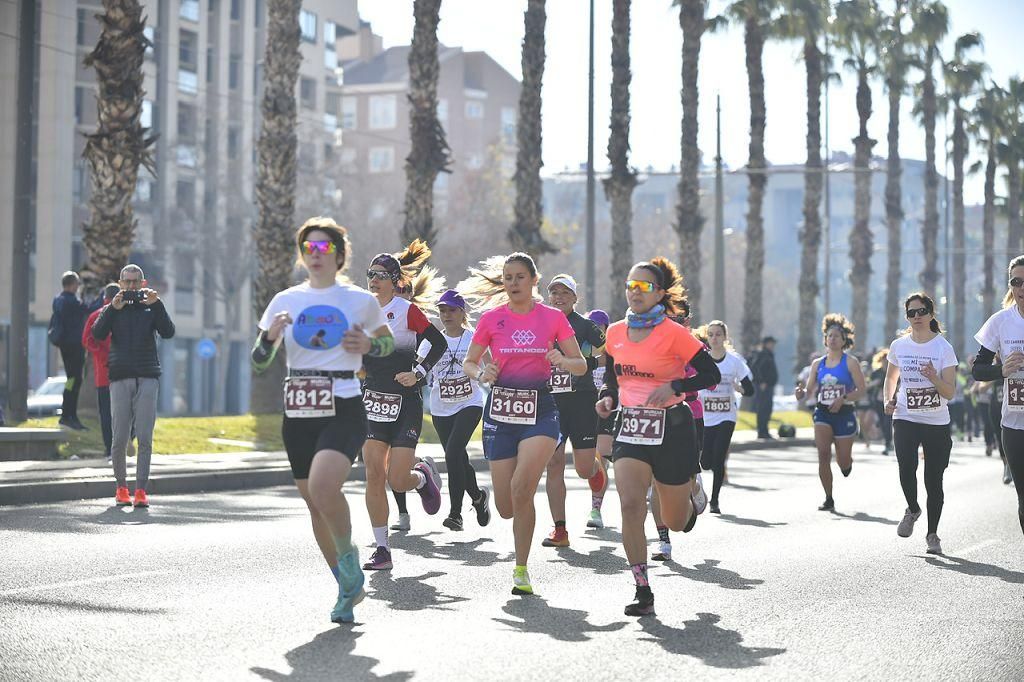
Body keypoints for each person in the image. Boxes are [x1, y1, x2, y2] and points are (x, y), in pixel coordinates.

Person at [252, 216, 391, 624]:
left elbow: (387, 343)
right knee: (314, 504)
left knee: (323, 486)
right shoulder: (285, 300)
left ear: (339, 254)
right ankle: (346, 587)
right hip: (298, 408)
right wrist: (268, 339)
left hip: (343, 402)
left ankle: (349, 560)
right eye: (308, 249)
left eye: (323, 248)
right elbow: (259, 362)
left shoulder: (358, 300)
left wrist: (368, 343)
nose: (315, 255)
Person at [596, 258, 719, 616]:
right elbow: (611, 376)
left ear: (660, 294)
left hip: (673, 428)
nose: (635, 292)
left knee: (676, 522)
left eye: (644, 287)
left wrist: (676, 384)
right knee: (631, 506)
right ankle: (642, 588)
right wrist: (606, 397)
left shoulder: (674, 333)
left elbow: (709, 374)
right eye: (630, 285)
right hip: (631, 427)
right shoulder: (616, 333)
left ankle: (691, 490)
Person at [460, 253, 586, 596]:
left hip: (541, 412)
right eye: (508, 277)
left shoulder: (553, 318)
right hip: (500, 412)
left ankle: (521, 569)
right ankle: (507, 513)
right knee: (505, 507)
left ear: (533, 280)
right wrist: (482, 372)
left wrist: (563, 358)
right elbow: (470, 363)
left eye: (519, 277)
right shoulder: (491, 320)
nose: (513, 283)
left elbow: (580, 365)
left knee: (522, 488)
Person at [361, 240, 448, 571]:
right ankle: (382, 549)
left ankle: (422, 477)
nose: (374, 279)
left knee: (398, 480)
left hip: (405, 403)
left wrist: (419, 373)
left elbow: (437, 342)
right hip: (372, 402)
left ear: (395, 279)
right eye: (370, 274)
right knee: (372, 473)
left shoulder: (406, 309)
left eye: (381, 274)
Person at [91, 265, 175, 508]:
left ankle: (140, 490)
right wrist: (112, 310)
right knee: (119, 437)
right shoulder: (112, 308)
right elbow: (97, 333)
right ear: (119, 282)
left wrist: (157, 305)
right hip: (119, 377)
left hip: (148, 376)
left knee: (145, 436)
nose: (130, 287)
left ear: (142, 282)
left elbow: (168, 332)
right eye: (126, 282)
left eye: (134, 282)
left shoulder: (151, 305)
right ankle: (121, 488)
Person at [883, 293, 958, 555]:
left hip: (936, 421)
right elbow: (891, 378)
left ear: (931, 314)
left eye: (921, 311)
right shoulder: (899, 346)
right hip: (905, 415)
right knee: (906, 466)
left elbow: (950, 392)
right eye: (911, 313)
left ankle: (932, 534)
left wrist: (933, 377)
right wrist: (887, 400)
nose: (916, 317)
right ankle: (913, 509)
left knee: (933, 480)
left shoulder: (943, 348)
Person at [541, 274, 608, 547]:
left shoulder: (586, 326)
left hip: (581, 400)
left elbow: (609, 352)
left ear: (574, 298)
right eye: (554, 293)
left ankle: (595, 470)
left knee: (582, 469)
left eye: (564, 294)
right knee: (553, 464)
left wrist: (585, 364)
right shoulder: (540, 322)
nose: (559, 298)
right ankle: (560, 530)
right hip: (550, 402)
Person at [426, 289, 491, 531]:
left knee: (453, 452)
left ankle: (455, 514)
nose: (446, 314)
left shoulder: (474, 338)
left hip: (470, 403)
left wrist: (492, 378)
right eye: (442, 310)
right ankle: (478, 497)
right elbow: (420, 367)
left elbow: (491, 366)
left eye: (452, 310)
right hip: (441, 408)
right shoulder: (432, 341)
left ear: (462, 312)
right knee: (459, 458)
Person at [972, 255, 1024, 536]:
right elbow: (978, 370)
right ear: (1011, 286)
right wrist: (1001, 370)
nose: (1022, 287)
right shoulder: (1001, 322)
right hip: (1014, 424)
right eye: (1017, 281)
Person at [796, 314, 867, 511]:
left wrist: (843, 398)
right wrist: (801, 393)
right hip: (823, 413)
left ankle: (847, 464)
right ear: (825, 339)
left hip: (844, 413)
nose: (833, 339)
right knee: (823, 454)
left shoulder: (850, 362)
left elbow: (862, 390)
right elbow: (809, 390)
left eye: (837, 336)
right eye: (829, 336)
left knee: (843, 461)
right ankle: (828, 497)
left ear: (844, 340)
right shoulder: (818, 364)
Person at [698, 320, 754, 514]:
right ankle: (705, 488)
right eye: (711, 334)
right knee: (705, 462)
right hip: (705, 416)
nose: (714, 338)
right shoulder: (701, 359)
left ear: (725, 337)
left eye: (718, 334)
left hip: (726, 416)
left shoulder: (733, 361)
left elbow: (750, 389)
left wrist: (740, 388)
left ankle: (714, 501)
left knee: (719, 457)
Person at [82, 284, 120, 462]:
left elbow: (86, 340)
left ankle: (108, 448)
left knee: (105, 413)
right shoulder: (123, 314)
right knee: (127, 410)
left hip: (103, 373)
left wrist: (100, 354)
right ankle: (125, 440)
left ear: (104, 296)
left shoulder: (95, 315)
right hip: (123, 371)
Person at [51, 271, 90, 430]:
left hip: (66, 346)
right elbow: (89, 308)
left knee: (71, 380)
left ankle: (67, 415)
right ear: (72, 284)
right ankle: (69, 415)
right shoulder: (72, 302)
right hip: (74, 346)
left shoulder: (59, 300)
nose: (78, 286)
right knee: (75, 380)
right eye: (77, 283)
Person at [587, 309, 613, 529]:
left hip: (607, 409)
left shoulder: (612, 349)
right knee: (591, 463)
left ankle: (596, 509)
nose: (595, 329)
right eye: (591, 324)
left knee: (602, 457)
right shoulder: (580, 346)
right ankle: (596, 506)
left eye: (599, 326)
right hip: (585, 410)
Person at [750, 335, 779, 439]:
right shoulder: (762, 354)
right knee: (763, 408)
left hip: (768, 386)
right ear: (766, 344)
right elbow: (755, 367)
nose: (773, 345)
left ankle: (765, 430)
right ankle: (761, 431)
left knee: (767, 408)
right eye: (771, 343)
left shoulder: (769, 354)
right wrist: (761, 381)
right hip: (763, 387)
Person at [869, 349, 893, 455]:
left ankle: (888, 443)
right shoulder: (876, 373)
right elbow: (869, 387)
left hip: (892, 401)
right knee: (883, 423)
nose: (886, 362)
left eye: (888, 360)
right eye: (884, 360)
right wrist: (874, 384)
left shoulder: (894, 372)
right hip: (879, 400)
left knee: (888, 423)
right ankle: (887, 441)